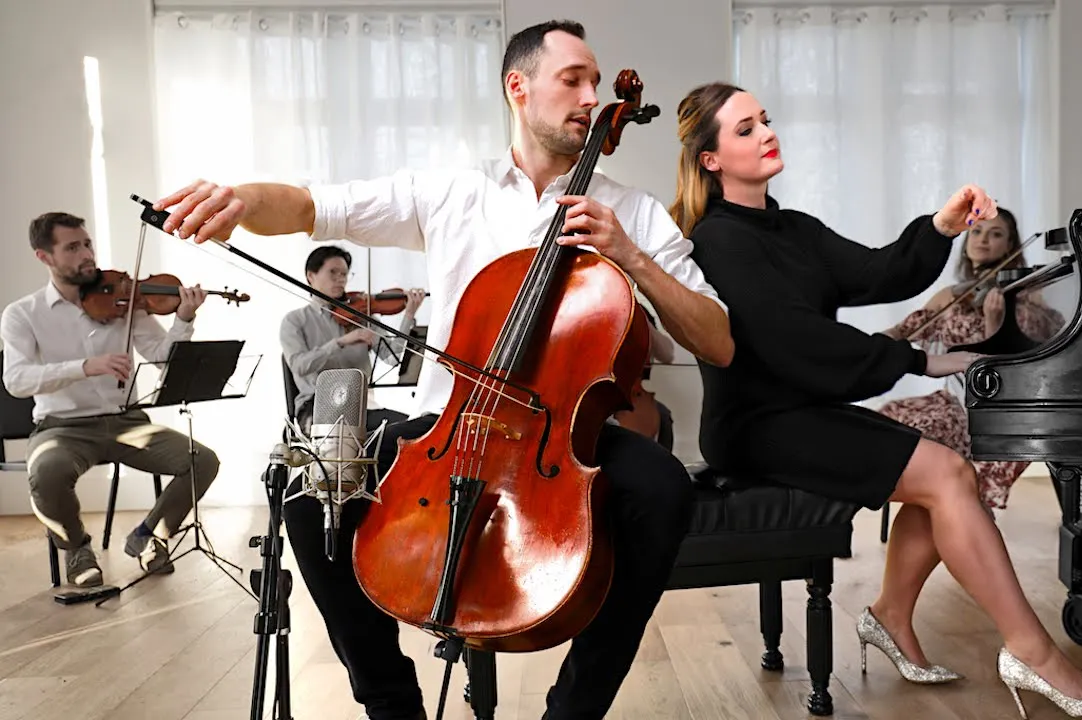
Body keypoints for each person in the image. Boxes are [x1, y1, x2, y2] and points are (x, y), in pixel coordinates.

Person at [151, 20, 733, 720]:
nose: (591, 96)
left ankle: (572, 713)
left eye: (596, 83)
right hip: (446, 425)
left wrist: (631, 256)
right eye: (573, 79)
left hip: (561, 433)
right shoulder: (452, 190)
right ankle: (392, 705)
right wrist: (240, 201)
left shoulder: (630, 210)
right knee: (311, 483)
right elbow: (311, 205)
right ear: (519, 88)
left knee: (663, 488)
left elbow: (718, 342)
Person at [671, 82, 1082, 718]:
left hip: (799, 410)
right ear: (711, 159)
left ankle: (891, 616)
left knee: (948, 474)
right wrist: (922, 360)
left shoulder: (793, 228)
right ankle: (1033, 653)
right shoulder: (719, 240)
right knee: (947, 474)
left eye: (766, 120)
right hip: (758, 425)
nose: (767, 133)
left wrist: (942, 224)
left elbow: (878, 271)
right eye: (745, 129)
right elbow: (797, 341)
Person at [1, 212, 220, 587]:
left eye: (87, 244)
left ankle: (149, 536)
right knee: (47, 473)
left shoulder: (123, 300)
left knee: (203, 460)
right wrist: (84, 367)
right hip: (62, 428)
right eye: (72, 247)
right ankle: (77, 548)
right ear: (44, 257)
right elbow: (16, 380)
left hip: (126, 422)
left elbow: (163, 359)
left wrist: (183, 319)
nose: (87, 254)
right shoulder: (23, 314)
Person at [879, 208, 1065, 510]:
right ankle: (938, 508)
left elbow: (1017, 367)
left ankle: (953, 509)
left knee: (929, 436)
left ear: (1010, 244)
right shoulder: (951, 296)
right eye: (976, 232)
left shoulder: (1027, 296)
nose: (983, 240)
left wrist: (994, 323)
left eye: (996, 234)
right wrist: (864, 344)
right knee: (889, 419)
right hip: (952, 400)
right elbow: (902, 331)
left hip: (994, 409)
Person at [280, 244, 426, 429]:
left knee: (414, 427)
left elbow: (392, 356)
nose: (341, 279)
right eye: (333, 272)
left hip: (360, 407)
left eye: (344, 274)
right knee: (360, 430)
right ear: (311, 276)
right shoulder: (295, 321)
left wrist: (409, 315)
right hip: (317, 408)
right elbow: (299, 366)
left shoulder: (360, 315)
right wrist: (340, 342)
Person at [613, 303, 677, 450]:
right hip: (597, 394)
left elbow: (668, 355)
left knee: (663, 416)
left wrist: (640, 319)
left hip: (635, 397)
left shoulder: (639, 312)